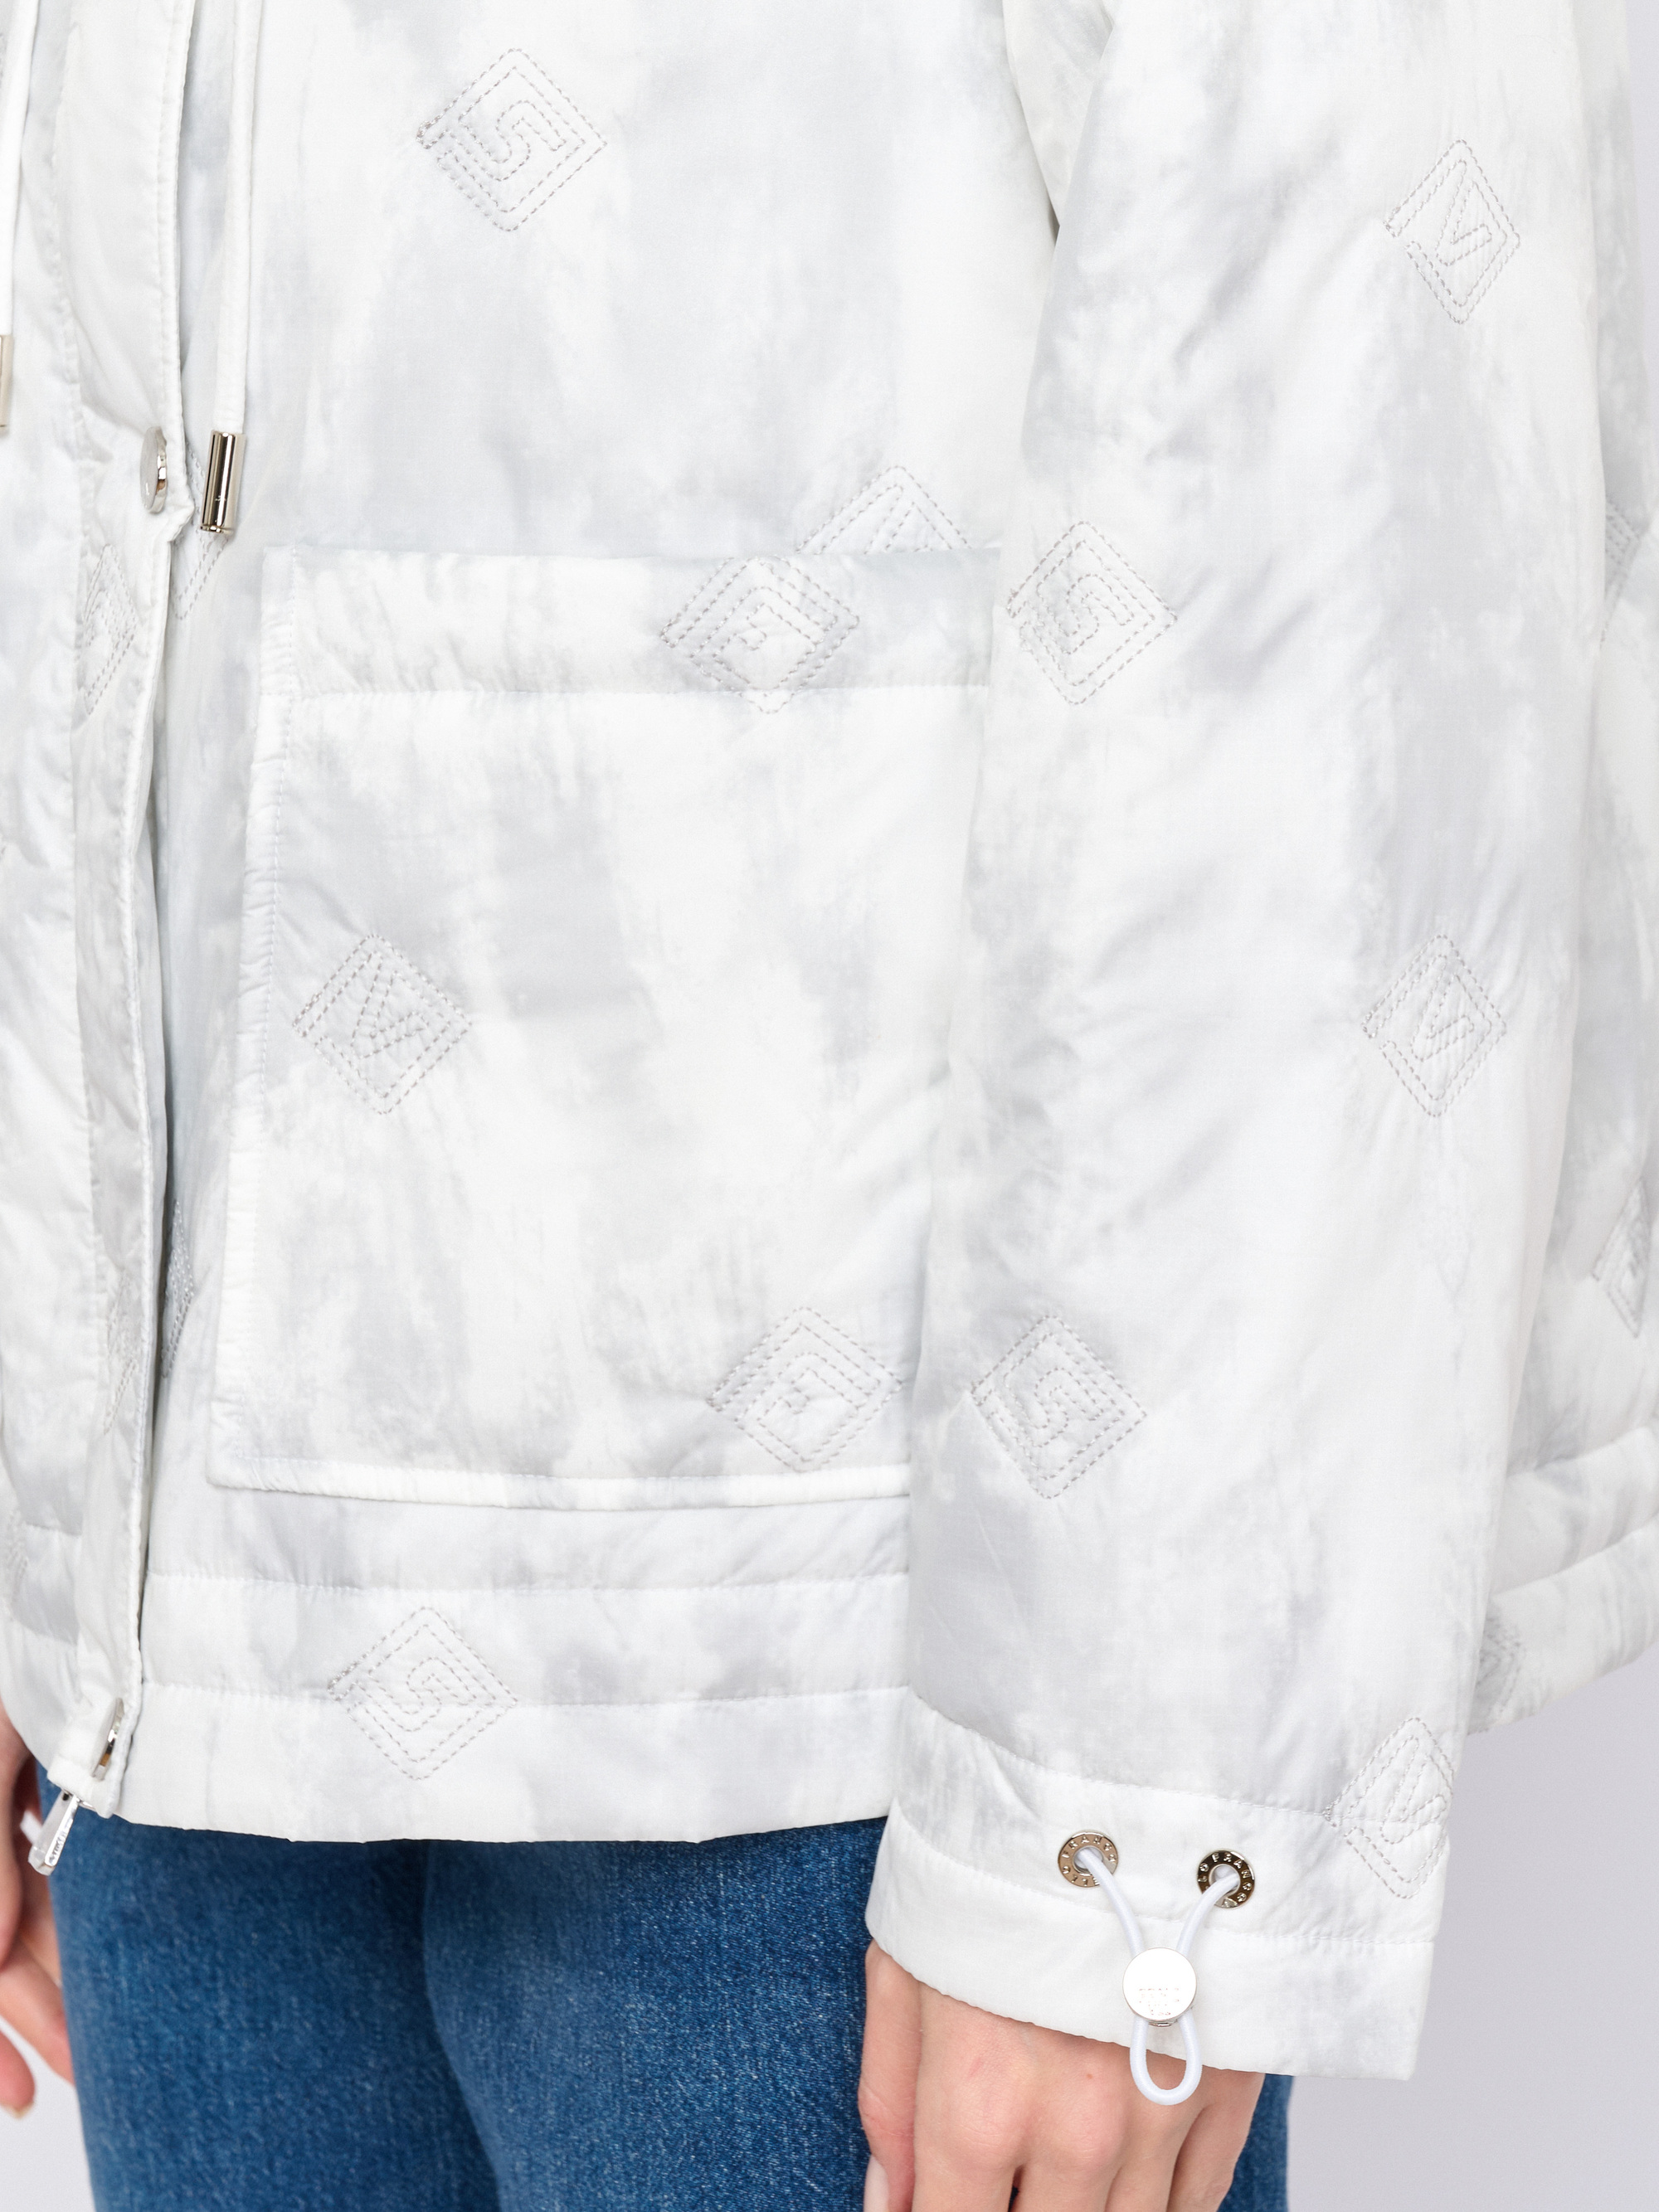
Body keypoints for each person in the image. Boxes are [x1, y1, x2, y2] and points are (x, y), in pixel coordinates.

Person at [0, 0, 1654, 2206]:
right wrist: (42, 1492)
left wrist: (1131, 1822)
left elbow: (1340, 490)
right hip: (189, 1705)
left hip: (837, 1728)